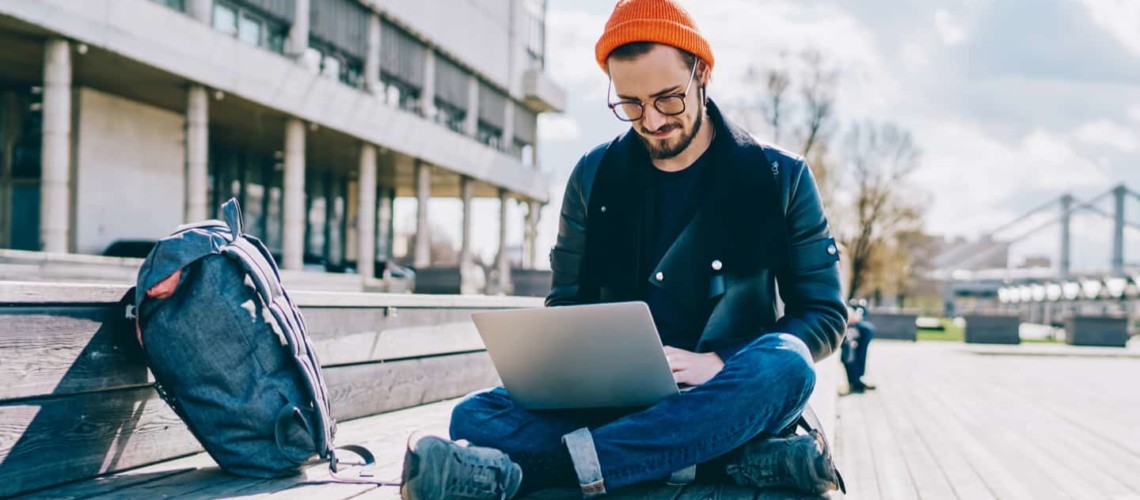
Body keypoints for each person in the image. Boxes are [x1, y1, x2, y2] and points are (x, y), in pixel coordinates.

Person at [399, 1, 847, 498]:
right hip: (618, 403)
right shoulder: (593, 177)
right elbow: (566, 305)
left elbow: (824, 315)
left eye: (668, 99)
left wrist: (720, 362)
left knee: (788, 364)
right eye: (630, 103)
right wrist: (582, 370)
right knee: (477, 415)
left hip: (730, 393)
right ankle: (720, 460)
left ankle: (537, 473)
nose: (652, 120)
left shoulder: (780, 176)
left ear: (702, 72)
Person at [841, 304, 876, 394]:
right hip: (845, 327)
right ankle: (853, 382)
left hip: (852, 326)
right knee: (849, 353)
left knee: (867, 330)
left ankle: (857, 380)